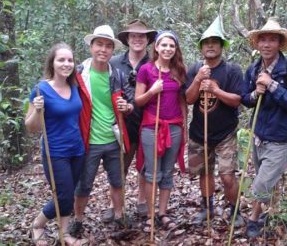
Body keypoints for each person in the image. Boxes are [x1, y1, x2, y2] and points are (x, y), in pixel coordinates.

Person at [241, 17, 287, 238]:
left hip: (280, 138)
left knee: (261, 185)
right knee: (265, 179)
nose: (266, 45)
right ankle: (270, 212)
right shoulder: (253, 69)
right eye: (263, 40)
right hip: (259, 136)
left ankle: (252, 220)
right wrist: (254, 93)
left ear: (279, 43)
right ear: (257, 44)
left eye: (272, 40)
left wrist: (273, 86)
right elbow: (245, 99)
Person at [69, 25, 133, 236]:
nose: (103, 50)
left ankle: (118, 216)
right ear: (91, 46)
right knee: (84, 184)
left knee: (117, 180)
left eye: (108, 46)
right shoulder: (78, 74)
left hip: (114, 137)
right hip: (89, 139)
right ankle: (77, 220)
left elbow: (129, 102)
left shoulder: (118, 75)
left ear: (112, 50)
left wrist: (128, 107)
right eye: (99, 45)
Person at [25, 42, 88, 246]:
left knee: (68, 194)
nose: (66, 64)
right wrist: (37, 109)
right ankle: (38, 224)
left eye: (70, 60)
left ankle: (64, 234)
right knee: (63, 195)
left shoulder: (74, 86)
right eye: (61, 60)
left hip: (77, 150)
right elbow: (31, 127)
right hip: (55, 152)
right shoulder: (40, 89)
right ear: (52, 63)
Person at [184, 16, 245, 227]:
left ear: (221, 46)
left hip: (225, 133)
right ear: (201, 48)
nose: (210, 46)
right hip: (200, 133)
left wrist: (216, 90)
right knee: (205, 173)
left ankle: (235, 211)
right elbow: (188, 99)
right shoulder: (195, 70)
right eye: (206, 43)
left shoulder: (232, 70)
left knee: (227, 176)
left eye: (215, 42)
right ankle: (207, 208)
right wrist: (198, 80)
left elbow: (238, 100)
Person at [102, 19, 157, 221]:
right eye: (133, 35)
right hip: (121, 124)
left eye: (141, 36)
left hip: (147, 122)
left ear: (148, 39)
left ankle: (142, 201)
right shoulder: (114, 63)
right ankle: (114, 204)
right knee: (119, 166)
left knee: (144, 165)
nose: (137, 39)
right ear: (127, 39)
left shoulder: (154, 63)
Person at [135, 31, 187, 231]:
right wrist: (152, 91)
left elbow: (182, 100)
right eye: (163, 45)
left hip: (174, 126)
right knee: (152, 172)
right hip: (152, 126)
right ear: (156, 47)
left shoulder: (179, 70)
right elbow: (138, 101)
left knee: (167, 172)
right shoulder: (146, 70)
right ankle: (150, 215)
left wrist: (185, 125)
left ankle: (162, 213)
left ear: (175, 50)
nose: (167, 49)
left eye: (171, 46)